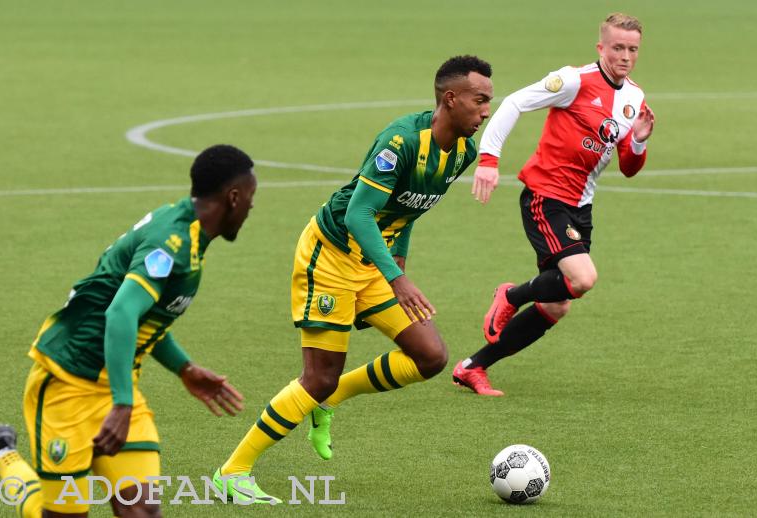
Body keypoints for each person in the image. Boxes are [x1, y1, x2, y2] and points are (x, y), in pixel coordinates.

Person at [212, 55, 494, 503]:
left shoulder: (462, 153)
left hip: (374, 263)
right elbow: (359, 213)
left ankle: (331, 398)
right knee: (317, 376)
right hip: (331, 256)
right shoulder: (400, 141)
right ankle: (233, 470)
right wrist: (397, 279)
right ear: (450, 98)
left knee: (430, 357)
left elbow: (410, 209)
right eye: (479, 101)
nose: (485, 111)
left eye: (488, 103)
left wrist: (398, 263)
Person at [0, 144, 256, 517]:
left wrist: (183, 368)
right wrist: (122, 403)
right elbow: (120, 313)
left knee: (142, 511)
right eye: (251, 197)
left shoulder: (190, 233)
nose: (251, 206)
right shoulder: (173, 243)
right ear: (233, 197)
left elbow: (140, 317)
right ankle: (4, 457)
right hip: (67, 382)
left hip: (116, 385)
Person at [454, 13, 656, 396]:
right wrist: (489, 160)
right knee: (584, 278)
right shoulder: (574, 80)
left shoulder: (634, 98)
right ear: (601, 47)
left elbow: (629, 167)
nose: (625, 56)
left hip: (581, 205)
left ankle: (472, 366)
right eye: (617, 48)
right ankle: (510, 295)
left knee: (558, 304)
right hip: (545, 197)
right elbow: (514, 102)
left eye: (632, 49)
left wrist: (640, 140)